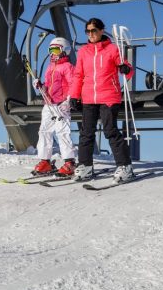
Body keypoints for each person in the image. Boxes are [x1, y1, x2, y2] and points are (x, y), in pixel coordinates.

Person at [68, 18, 134, 183]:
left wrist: (126, 69)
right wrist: (74, 95)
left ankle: (125, 166)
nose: (91, 34)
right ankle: (85, 166)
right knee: (86, 133)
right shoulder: (83, 51)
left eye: (94, 30)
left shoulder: (113, 49)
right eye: (88, 31)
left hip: (109, 96)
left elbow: (126, 68)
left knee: (110, 131)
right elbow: (78, 75)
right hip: (89, 97)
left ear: (102, 31)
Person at [32, 37, 77, 176]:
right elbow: (48, 86)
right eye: (50, 50)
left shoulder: (68, 67)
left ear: (64, 51)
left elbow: (73, 84)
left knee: (62, 133)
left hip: (61, 105)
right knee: (44, 132)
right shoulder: (50, 67)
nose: (53, 53)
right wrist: (40, 86)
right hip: (49, 104)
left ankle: (69, 162)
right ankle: (45, 161)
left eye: (56, 50)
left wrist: (68, 100)